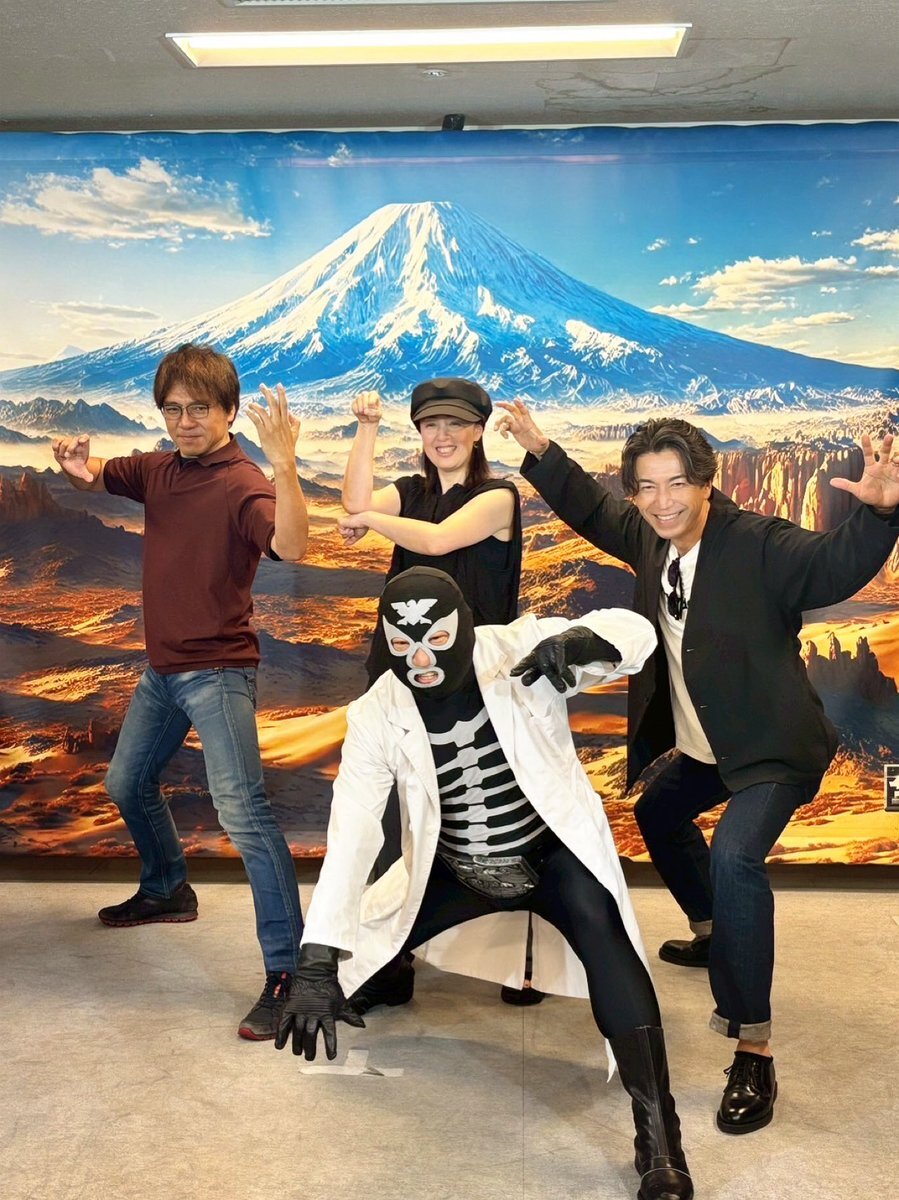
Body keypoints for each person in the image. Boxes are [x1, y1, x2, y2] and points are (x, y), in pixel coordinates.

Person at [494, 400, 899, 1134]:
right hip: (709, 745)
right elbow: (591, 508)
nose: (662, 501)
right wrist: (538, 447)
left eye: (677, 483)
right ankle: (716, 932)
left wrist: (879, 515)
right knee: (657, 811)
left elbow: (828, 565)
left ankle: (753, 1048)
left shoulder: (756, 544)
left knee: (735, 858)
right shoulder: (650, 537)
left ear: (706, 482)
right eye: (646, 486)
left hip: (771, 746)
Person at [275, 567, 693, 1200]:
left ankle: (660, 1138)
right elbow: (354, 830)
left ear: (464, 626)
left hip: (549, 855)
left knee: (605, 934)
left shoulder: (517, 651)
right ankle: (375, 978)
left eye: (437, 639)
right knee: (361, 937)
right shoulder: (377, 712)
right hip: (454, 869)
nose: (420, 660)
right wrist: (315, 961)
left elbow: (636, 633)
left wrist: (584, 642)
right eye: (402, 644)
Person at [51, 342, 309, 1041]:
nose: (185, 421)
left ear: (229, 412)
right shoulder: (160, 469)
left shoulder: (243, 483)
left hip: (218, 672)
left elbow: (291, 546)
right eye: (173, 409)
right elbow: (100, 475)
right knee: (126, 783)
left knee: (245, 816)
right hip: (162, 671)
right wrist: (79, 471)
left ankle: (291, 975)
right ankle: (168, 888)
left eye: (200, 409)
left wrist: (285, 466)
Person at [339, 378, 539, 1005]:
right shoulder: (410, 491)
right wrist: (367, 429)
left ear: (478, 431)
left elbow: (437, 540)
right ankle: (389, 964)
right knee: (393, 814)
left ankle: (519, 963)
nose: (443, 436)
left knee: (492, 815)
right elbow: (355, 499)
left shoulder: (498, 497)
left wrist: (367, 520)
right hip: (401, 673)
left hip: (477, 685)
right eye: (430, 425)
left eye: (455, 424)